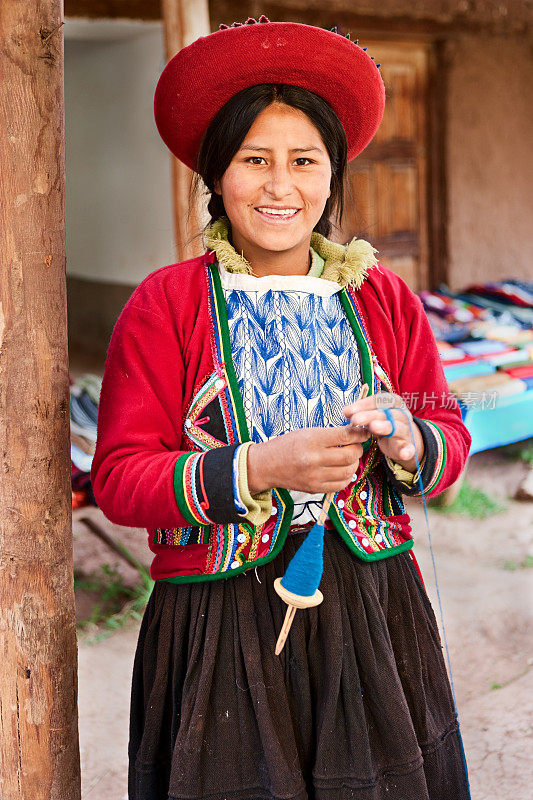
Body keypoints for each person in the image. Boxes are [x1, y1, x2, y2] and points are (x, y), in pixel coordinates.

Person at [91, 18, 472, 800]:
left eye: (304, 161)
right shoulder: (166, 306)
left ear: (331, 175)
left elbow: (449, 433)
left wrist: (409, 438)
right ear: (215, 176)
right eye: (252, 161)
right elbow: (120, 481)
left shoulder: (384, 300)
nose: (279, 187)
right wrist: (258, 465)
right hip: (219, 625)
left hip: (373, 607)